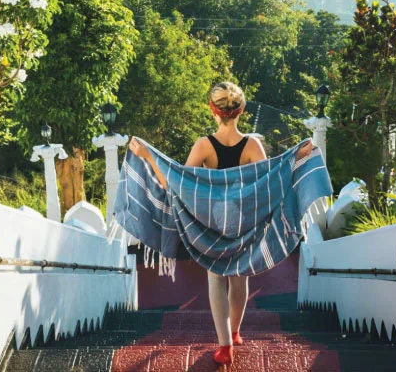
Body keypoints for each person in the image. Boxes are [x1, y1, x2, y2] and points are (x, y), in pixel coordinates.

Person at [127, 81, 314, 366]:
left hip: (212, 221)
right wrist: (295, 159)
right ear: (241, 110)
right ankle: (236, 332)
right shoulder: (253, 144)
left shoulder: (204, 145)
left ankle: (225, 345)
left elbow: (176, 184)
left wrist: (149, 157)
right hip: (243, 220)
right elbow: (270, 183)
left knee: (216, 278)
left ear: (213, 111)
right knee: (240, 276)